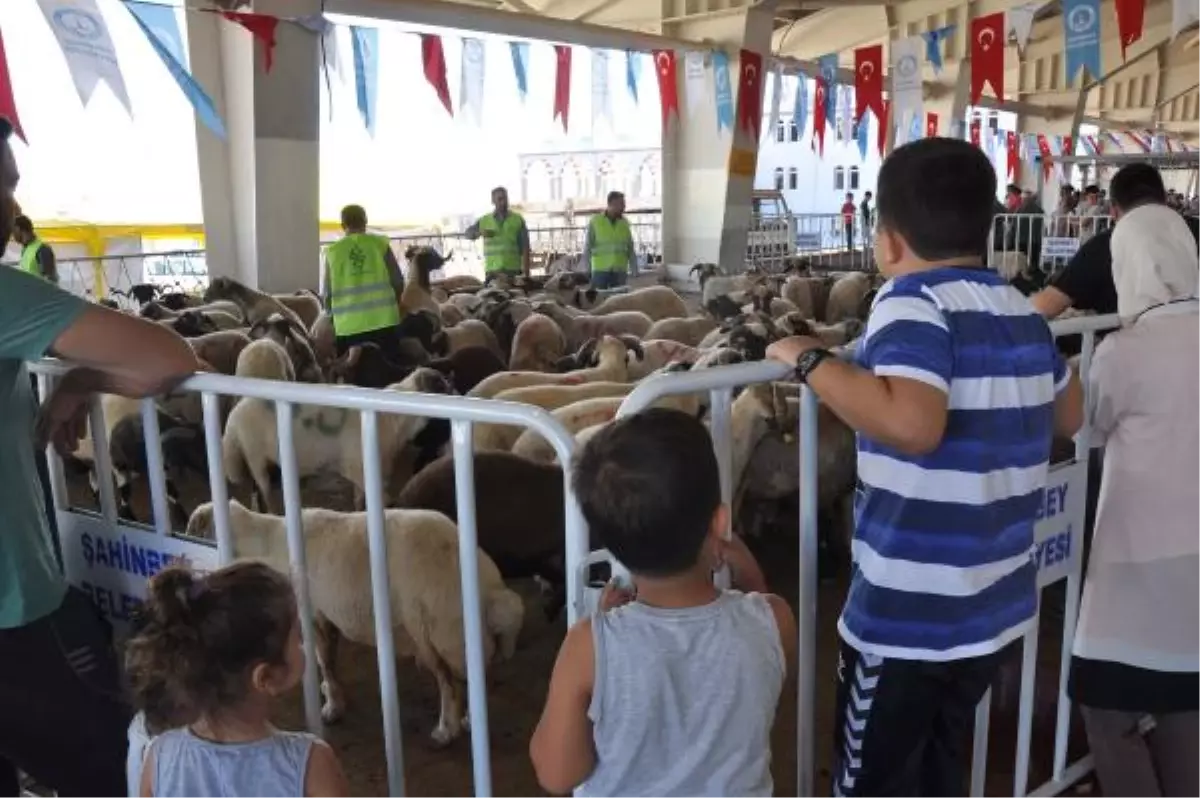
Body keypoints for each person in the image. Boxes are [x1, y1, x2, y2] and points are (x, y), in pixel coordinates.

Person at [766, 137, 1083, 798]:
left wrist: (810, 360)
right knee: (941, 767)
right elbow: (1070, 414)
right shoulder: (1019, 315)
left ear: (887, 240)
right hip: (990, 605)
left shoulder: (910, 302)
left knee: (872, 780)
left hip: (908, 612)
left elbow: (913, 423)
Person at [0, 115, 199, 798]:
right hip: (11, 611)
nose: (14, 207)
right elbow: (168, 357)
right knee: (111, 771)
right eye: (4, 185)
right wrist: (83, 379)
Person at [529, 408, 796, 796]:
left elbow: (557, 774)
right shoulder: (774, 620)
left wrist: (605, 630)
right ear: (720, 524)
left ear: (608, 541)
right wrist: (744, 563)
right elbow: (764, 645)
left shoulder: (590, 646)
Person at [1067, 203, 1200, 798]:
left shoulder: (1126, 350)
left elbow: (1086, 426)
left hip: (1133, 561)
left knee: (1106, 703)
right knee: (1185, 698)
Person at [127, 562, 350, 797]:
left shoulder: (160, 758)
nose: (303, 644)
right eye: (297, 637)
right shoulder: (310, 766)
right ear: (265, 677)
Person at [1031, 164, 1200, 320]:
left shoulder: (1104, 246)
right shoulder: (1193, 229)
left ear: (1113, 210)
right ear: (1164, 198)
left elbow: (1046, 306)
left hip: (1133, 346)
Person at [321, 204, 408, 359]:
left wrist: (333, 318)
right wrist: (393, 305)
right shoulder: (380, 245)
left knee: (353, 376)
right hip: (384, 322)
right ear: (365, 221)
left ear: (342, 225)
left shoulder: (333, 253)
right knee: (388, 373)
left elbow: (327, 294)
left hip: (348, 328)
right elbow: (398, 282)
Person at [464, 186, 531, 281]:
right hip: (492, 272)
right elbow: (467, 234)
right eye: (500, 199)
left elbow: (525, 247)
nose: (503, 202)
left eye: (505, 198)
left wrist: (526, 272)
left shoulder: (517, 220)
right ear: (493, 201)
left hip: (513, 271)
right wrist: (479, 233)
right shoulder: (484, 220)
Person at [580, 191, 637, 290]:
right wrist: (587, 269)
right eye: (621, 204)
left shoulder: (625, 223)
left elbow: (630, 248)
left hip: (619, 272)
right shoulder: (596, 221)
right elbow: (588, 247)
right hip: (600, 272)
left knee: (619, 303)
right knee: (599, 302)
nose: (624, 207)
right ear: (612, 204)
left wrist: (634, 268)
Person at [12, 215, 57, 284]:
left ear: (18, 229)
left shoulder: (43, 249)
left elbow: (51, 281)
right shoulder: (25, 248)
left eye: (13, 232)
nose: (13, 236)